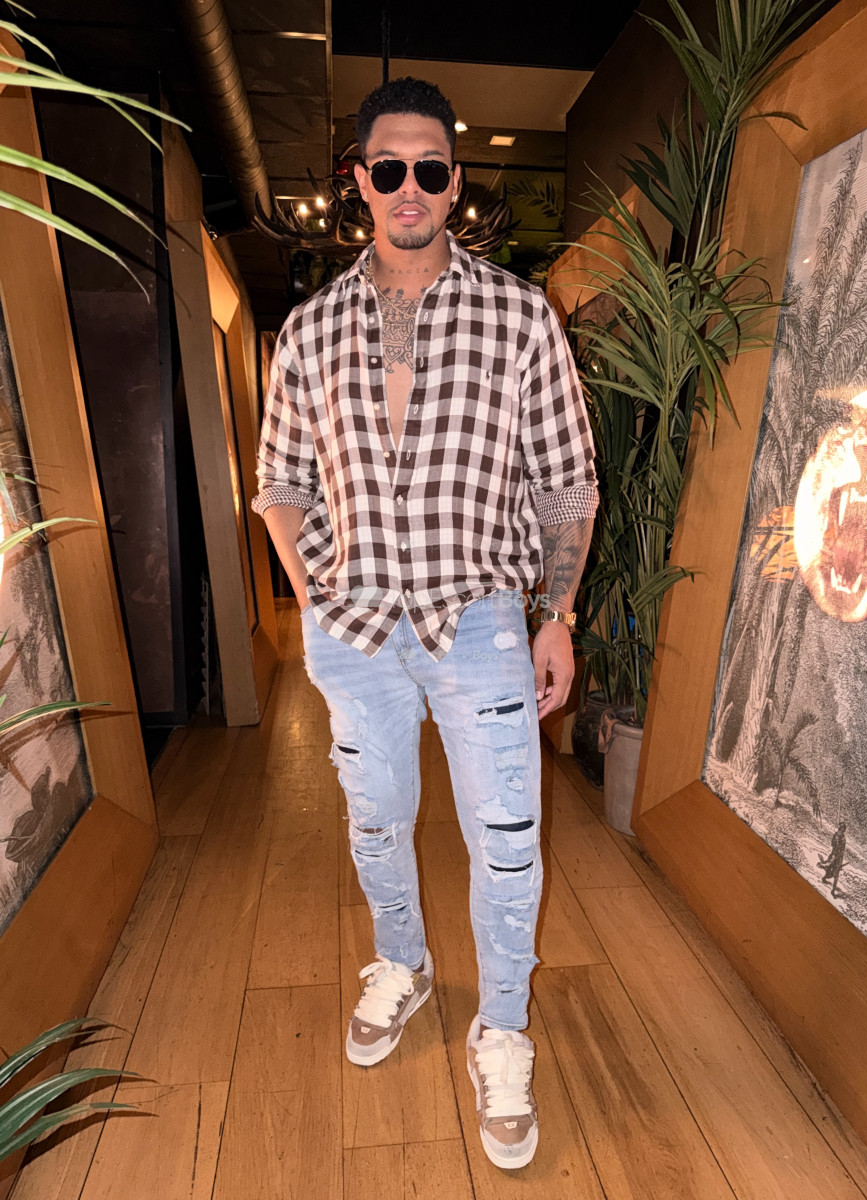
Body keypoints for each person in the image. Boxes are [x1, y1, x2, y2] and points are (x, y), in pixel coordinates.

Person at [252, 76, 598, 1171]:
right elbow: (279, 482)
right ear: (360, 180)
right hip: (354, 631)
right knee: (375, 819)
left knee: (508, 837)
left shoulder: (520, 317)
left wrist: (558, 614)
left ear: (454, 184)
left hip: (480, 618)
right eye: (390, 167)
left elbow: (566, 485)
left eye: (431, 169)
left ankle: (504, 1029)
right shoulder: (309, 331)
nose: (411, 186)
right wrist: (312, 598)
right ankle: (400, 964)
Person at [818, 821, 847, 896]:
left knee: (836, 874)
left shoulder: (842, 838)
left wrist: (837, 855)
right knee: (829, 868)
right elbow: (833, 845)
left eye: (843, 829)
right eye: (841, 828)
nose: (842, 830)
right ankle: (824, 878)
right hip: (834, 855)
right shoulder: (837, 835)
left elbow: (842, 849)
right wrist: (836, 845)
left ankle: (833, 890)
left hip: (838, 857)